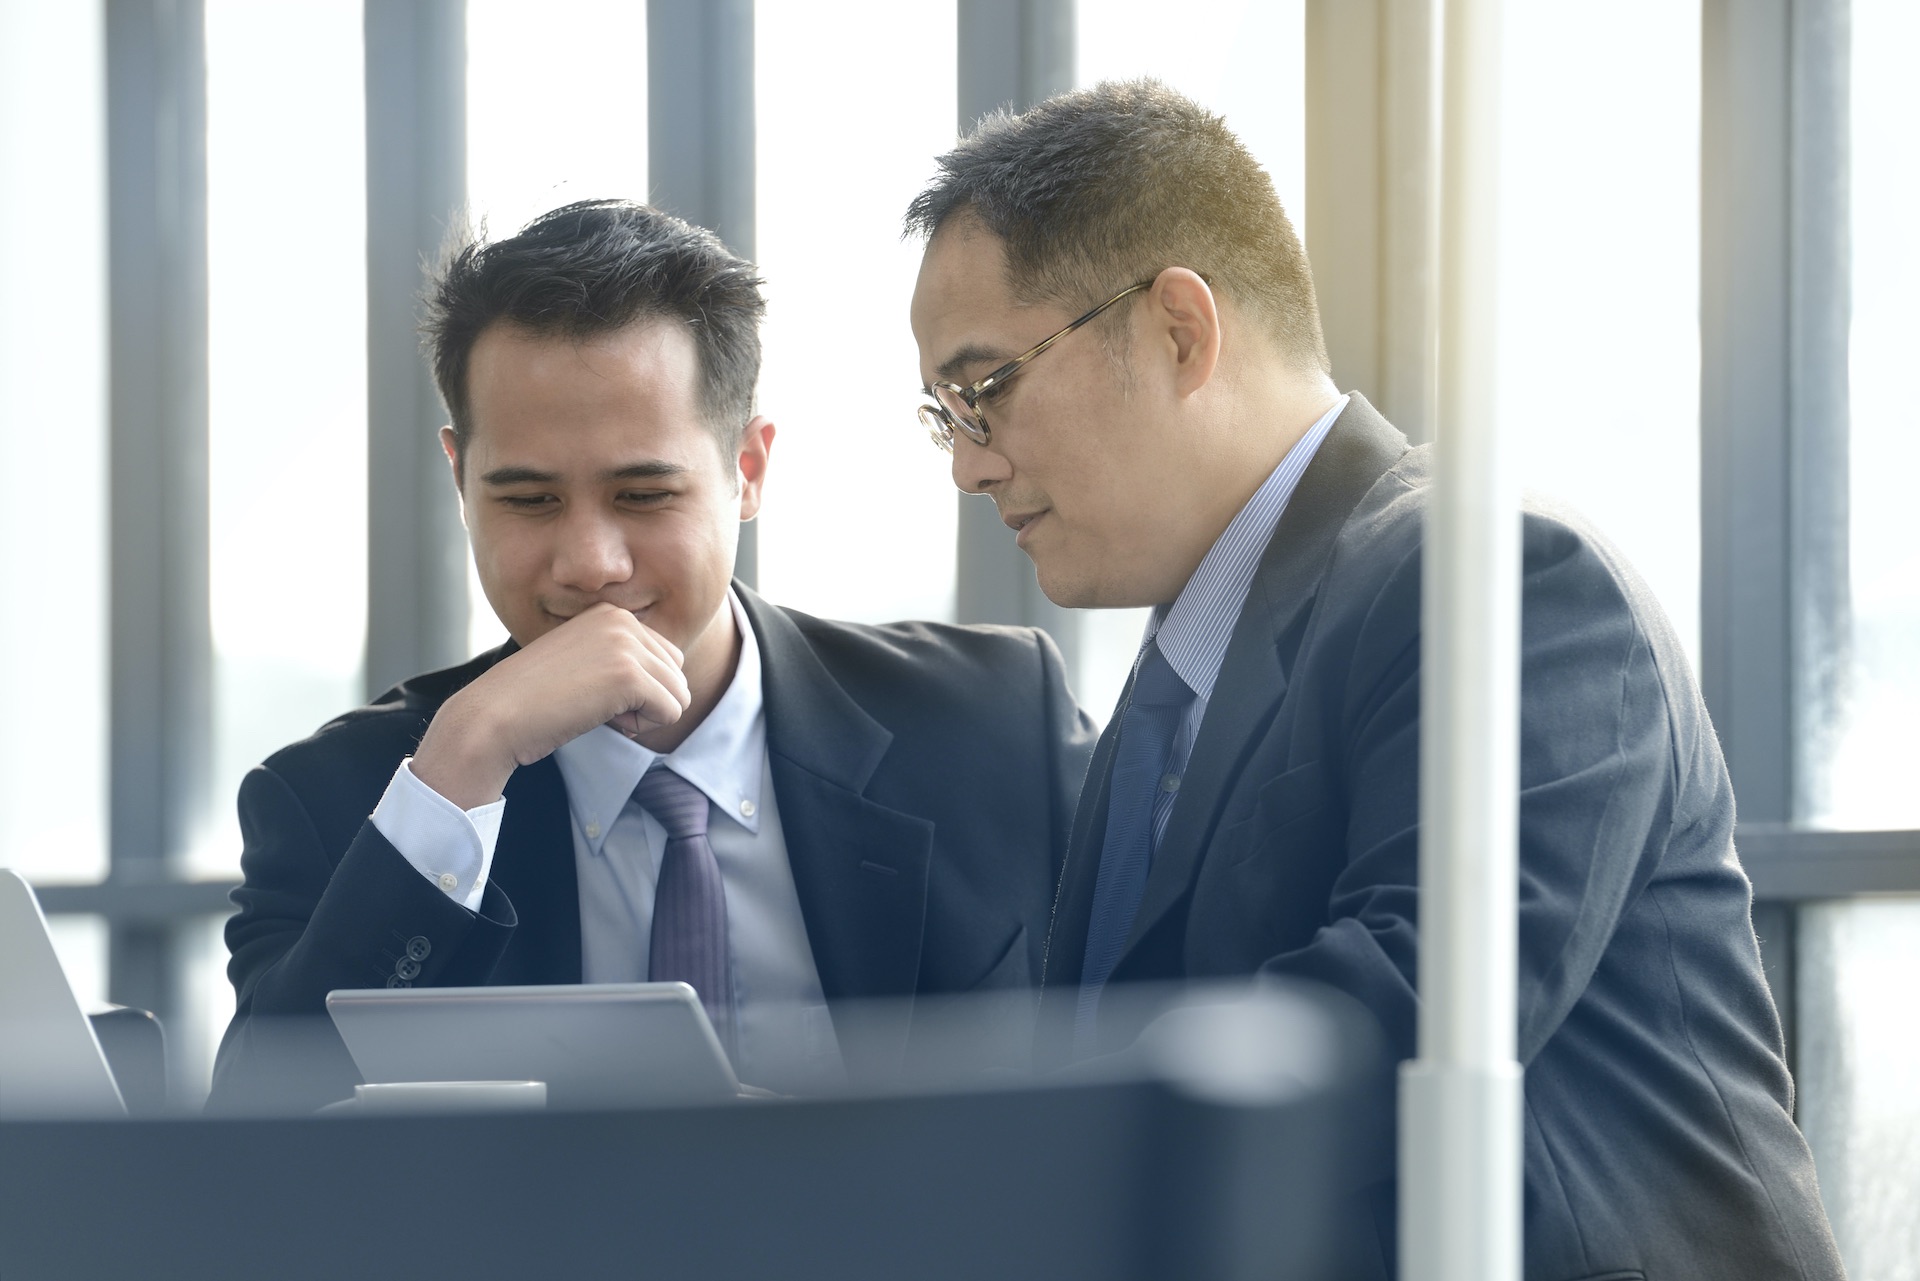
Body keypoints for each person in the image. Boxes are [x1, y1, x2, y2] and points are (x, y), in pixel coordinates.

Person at [905, 80, 1843, 1280]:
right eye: (943, 417)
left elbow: (1406, 1011)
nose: (969, 468)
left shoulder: (1493, 573)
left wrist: (952, 1134)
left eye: (985, 391)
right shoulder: (1180, 674)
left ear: (1180, 332)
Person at [211, 200, 1095, 1109]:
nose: (591, 563)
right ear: (459, 480)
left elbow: (1147, 1077)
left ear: (747, 471)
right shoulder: (350, 802)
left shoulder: (994, 724)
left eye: (641, 494)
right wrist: (461, 764)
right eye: (529, 501)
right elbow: (252, 1157)